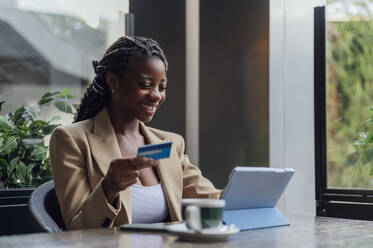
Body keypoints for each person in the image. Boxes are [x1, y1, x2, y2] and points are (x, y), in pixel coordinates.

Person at [49, 36, 221, 230]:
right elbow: (77, 228)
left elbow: (215, 199)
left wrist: (253, 192)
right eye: (145, 85)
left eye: (161, 87)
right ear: (113, 82)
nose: (156, 95)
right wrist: (108, 188)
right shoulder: (72, 140)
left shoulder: (169, 143)